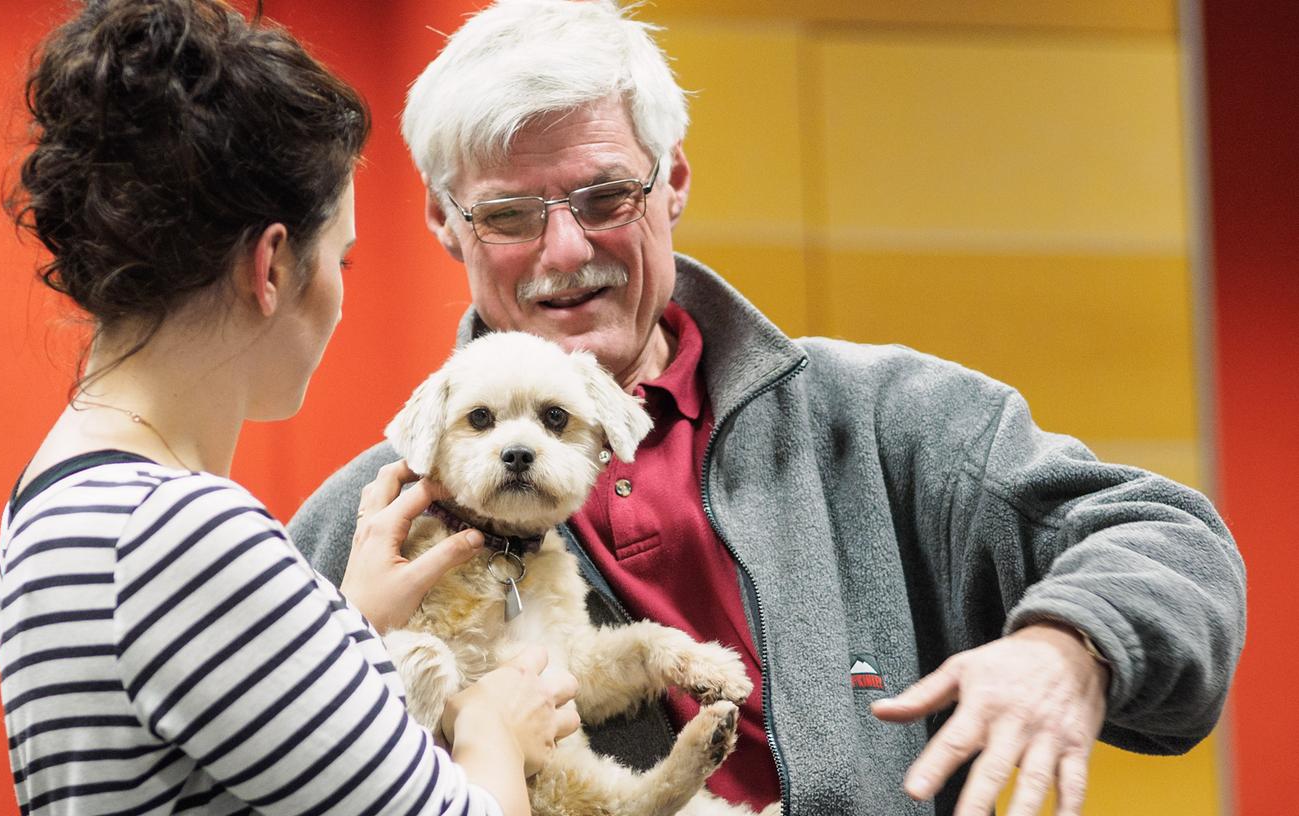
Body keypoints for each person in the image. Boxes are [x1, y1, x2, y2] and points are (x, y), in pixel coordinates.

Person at [288, 1, 1247, 815]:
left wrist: (1068, 644)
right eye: (507, 215)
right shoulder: (361, 527)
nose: (565, 249)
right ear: (443, 225)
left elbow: (1166, 534)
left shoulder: (879, 418)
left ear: (673, 185)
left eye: (605, 195)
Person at [0, 1, 580, 814]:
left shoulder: (60, 494)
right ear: (270, 266)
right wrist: (491, 727)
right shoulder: (181, 532)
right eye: (341, 256)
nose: (340, 294)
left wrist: (347, 630)